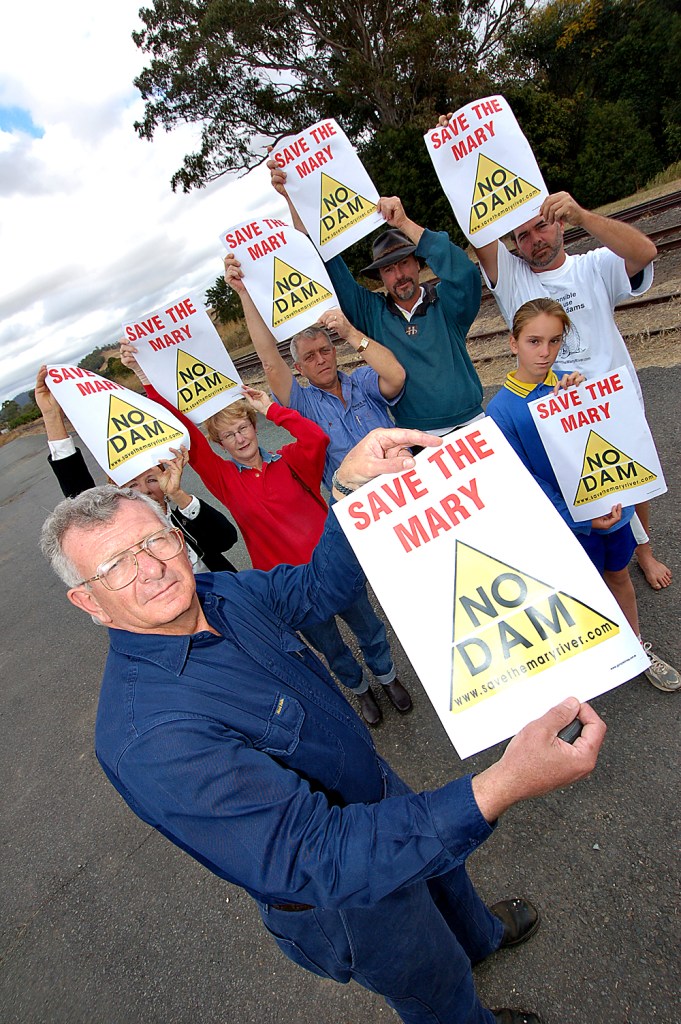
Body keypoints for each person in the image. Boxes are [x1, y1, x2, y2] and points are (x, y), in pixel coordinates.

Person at [40, 424, 608, 1024]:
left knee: (445, 873)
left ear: (177, 538)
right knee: (432, 984)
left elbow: (319, 587)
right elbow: (319, 855)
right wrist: (502, 784)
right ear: (90, 603)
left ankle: (480, 937)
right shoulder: (148, 737)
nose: (151, 569)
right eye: (115, 566)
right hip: (345, 893)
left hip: (378, 789)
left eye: (154, 541)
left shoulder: (219, 593)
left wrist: (348, 494)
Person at [119, 346, 411, 724]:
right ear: (220, 445)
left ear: (255, 428)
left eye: (243, 428)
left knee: (368, 628)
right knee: (331, 647)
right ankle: (360, 690)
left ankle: (387, 676)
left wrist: (270, 407)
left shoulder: (291, 460)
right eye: (228, 436)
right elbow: (187, 432)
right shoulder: (224, 479)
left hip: (334, 564)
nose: (239, 439)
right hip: (288, 586)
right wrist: (146, 379)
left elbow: (316, 439)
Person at [472, 187, 670, 592]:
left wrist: (584, 216)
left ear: (558, 222)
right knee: (582, 491)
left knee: (631, 478)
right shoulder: (512, 278)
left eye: (541, 227)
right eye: (522, 236)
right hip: (557, 414)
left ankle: (643, 551)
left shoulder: (592, 265)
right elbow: (479, 235)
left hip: (612, 401)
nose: (534, 240)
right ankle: (597, 566)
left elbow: (645, 252)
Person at [486, 298, 679, 693]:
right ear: (513, 343)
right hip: (568, 526)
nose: (545, 353)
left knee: (619, 574)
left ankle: (637, 648)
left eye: (555, 341)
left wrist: (586, 396)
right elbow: (523, 482)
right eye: (534, 341)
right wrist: (580, 519)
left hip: (610, 510)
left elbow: (609, 435)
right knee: (579, 594)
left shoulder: (572, 381)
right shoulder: (501, 411)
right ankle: (592, 665)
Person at [270, 159, 483, 435]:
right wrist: (295, 198)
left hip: (475, 422)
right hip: (419, 436)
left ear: (418, 263)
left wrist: (404, 223)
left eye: (404, 263)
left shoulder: (446, 303)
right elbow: (325, 263)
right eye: (389, 269)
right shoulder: (372, 313)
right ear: (380, 277)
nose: (399, 275)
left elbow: (464, 272)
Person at [224, 251, 405, 491]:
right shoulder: (302, 405)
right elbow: (269, 362)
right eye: (310, 356)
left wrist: (350, 333)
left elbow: (397, 376)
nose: (321, 359)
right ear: (299, 368)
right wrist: (244, 294)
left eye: (324, 350)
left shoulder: (362, 381)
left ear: (334, 352)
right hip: (361, 501)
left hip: (404, 478)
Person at [34, 365, 238, 573]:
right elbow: (79, 495)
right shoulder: (120, 531)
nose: (146, 490)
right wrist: (51, 416)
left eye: (152, 480)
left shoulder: (184, 517)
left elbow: (227, 540)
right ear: (118, 489)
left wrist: (178, 495)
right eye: (132, 485)